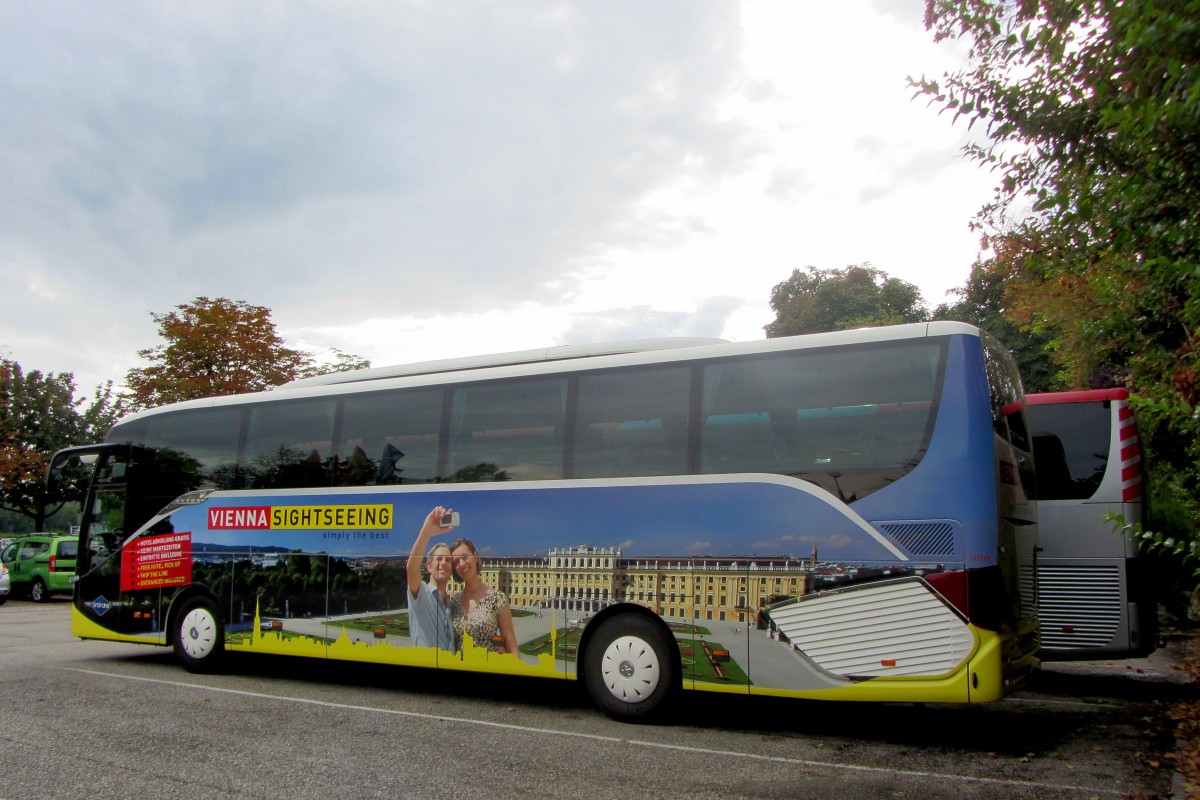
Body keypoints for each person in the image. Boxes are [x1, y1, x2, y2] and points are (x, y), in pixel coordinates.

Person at [450, 537, 519, 655]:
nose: (461, 564)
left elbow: (511, 649)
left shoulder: (497, 599)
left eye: (465, 557)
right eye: (456, 561)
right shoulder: (453, 601)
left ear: (475, 557)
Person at [405, 506, 459, 651]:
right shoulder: (421, 593)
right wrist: (428, 529)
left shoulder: (450, 604)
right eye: (439, 559)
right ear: (429, 567)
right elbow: (411, 567)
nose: (443, 563)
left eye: (448, 560)